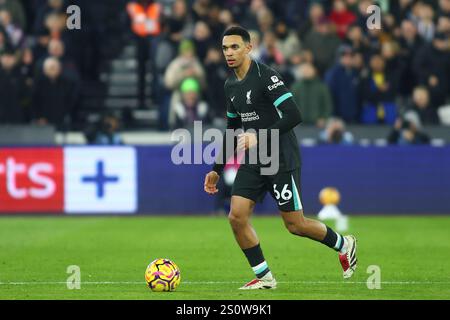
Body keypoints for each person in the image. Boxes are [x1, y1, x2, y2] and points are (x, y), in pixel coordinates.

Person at [203, 26, 357, 290]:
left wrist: (259, 136)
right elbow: (232, 131)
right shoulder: (230, 86)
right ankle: (265, 278)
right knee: (236, 217)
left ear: (249, 48)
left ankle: (345, 244)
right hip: (254, 159)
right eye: (225, 48)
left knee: (295, 225)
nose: (229, 53)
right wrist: (216, 168)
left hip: (281, 159)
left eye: (235, 47)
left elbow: (293, 115)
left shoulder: (266, 77)